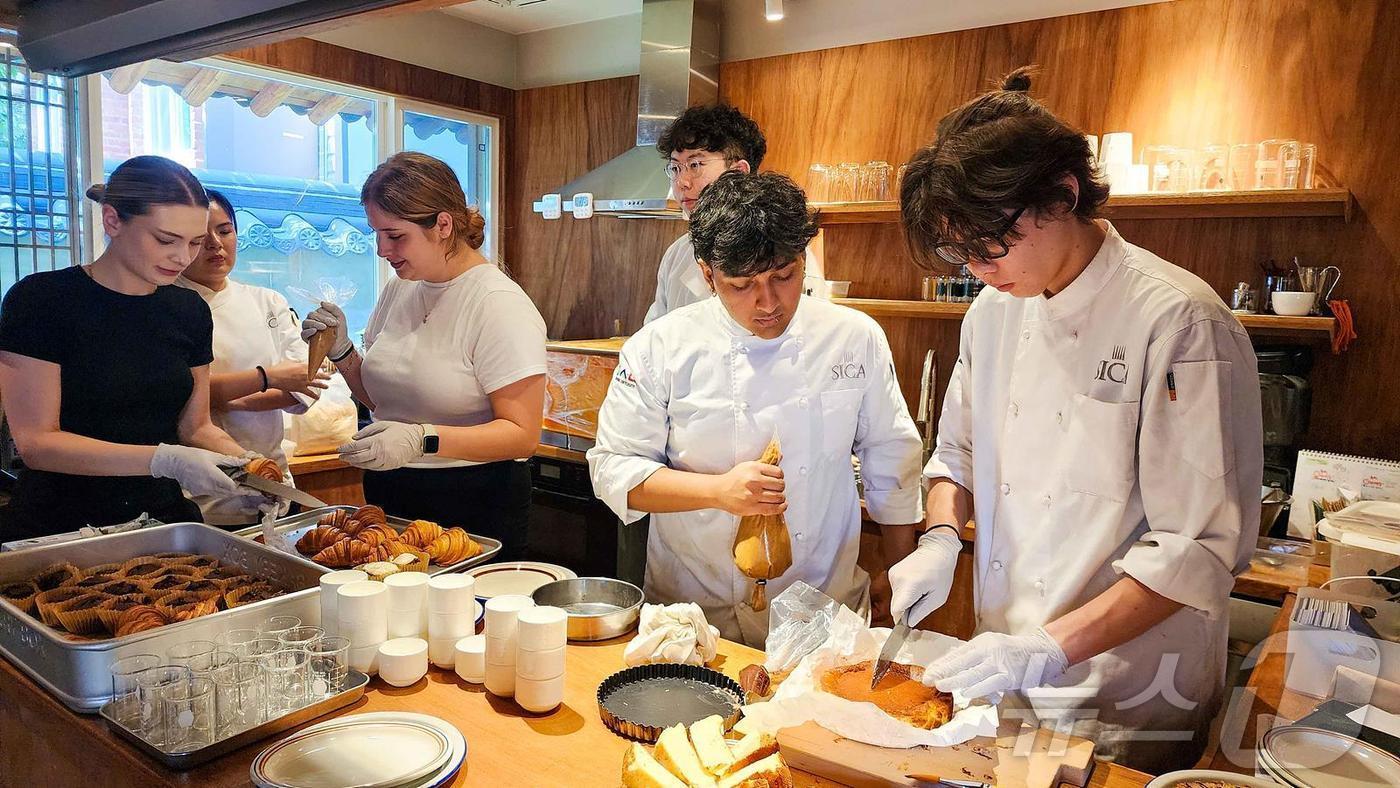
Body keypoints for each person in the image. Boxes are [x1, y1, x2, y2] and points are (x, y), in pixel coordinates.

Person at [887, 68, 1262, 773]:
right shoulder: (993, 311)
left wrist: (1047, 647)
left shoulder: (1178, 321)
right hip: (999, 677)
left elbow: (1197, 551)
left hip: (1123, 697)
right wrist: (940, 537)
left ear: (1063, 194)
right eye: (956, 250)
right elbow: (958, 454)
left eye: (989, 245)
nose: (977, 267)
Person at [589, 171, 924, 646]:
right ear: (707, 274)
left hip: (822, 610)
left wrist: (899, 569)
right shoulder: (659, 348)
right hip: (694, 616)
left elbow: (891, 461)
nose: (768, 302)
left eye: (784, 276)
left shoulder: (853, 338)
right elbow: (614, 471)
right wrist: (718, 491)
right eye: (741, 285)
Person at [301, 152, 547, 559]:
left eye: (395, 236)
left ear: (443, 225)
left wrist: (422, 439)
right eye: (375, 234)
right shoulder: (401, 288)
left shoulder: (497, 303)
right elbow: (384, 400)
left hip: (471, 501)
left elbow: (522, 434)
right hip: (390, 491)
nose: (382, 250)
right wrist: (342, 351)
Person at [0, 156, 256, 538]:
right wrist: (162, 458)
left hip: (164, 521)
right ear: (112, 221)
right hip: (61, 526)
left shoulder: (188, 310)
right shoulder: (42, 301)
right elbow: (38, 443)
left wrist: (247, 468)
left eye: (194, 242)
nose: (182, 257)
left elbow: (196, 426)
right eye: (165, 240)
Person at [176, 189, 329, 526]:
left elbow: (305, 384)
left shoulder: (267, 301)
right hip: (198, 498)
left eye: (225, 230)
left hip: (273, 481)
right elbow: (177, 394)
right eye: (201, 236)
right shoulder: (168, 304)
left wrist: (224, 401)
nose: (215, 244)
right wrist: (266, 378)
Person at [644, 104, 825, 324]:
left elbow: (808, 336)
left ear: (738, 172)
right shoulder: (676, 254)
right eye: (675, 168)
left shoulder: (785, 250)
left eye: (695, 165)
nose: (682, 182)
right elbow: (655, 335)